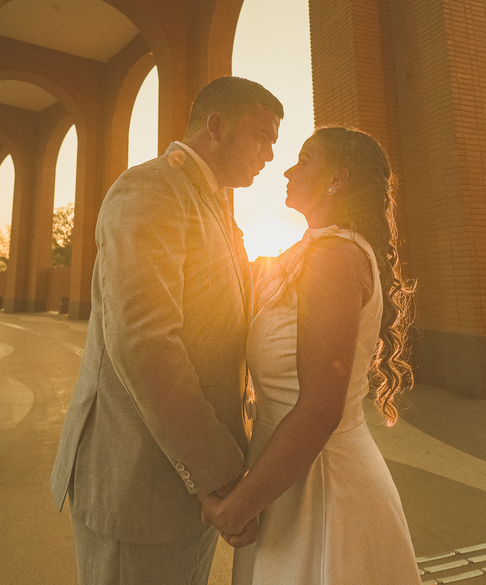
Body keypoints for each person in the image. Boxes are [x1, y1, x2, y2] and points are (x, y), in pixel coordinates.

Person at [50, 76, 284, 585]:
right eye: (261, 136)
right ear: (216, 126)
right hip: (140, 486)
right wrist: (219, 476)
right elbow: (145, 342)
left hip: (190, 478)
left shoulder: (213, 203)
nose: (269, 155)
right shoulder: (151, 190)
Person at [200, 126, 422, 585]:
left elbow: (322, 407)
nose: (287, 169)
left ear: (337, 179)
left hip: (323, 486)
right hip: (284, 476)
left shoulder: (335, 258)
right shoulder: (312, 251)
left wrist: (238, 504)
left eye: (304, 159)